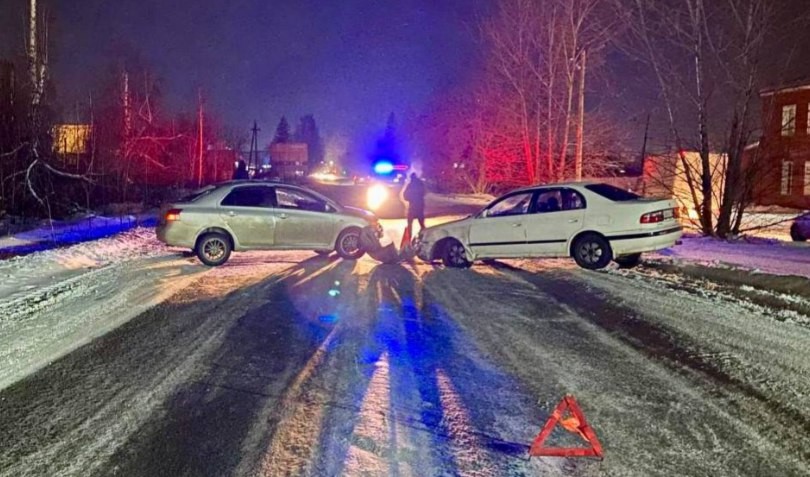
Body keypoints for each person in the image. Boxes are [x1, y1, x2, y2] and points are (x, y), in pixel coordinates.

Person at [402, 172, 426, 239]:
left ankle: (409, 237)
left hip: (413, 206)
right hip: (420, 206)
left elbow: (405, 195)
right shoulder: (420, 184)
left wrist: (410, 198)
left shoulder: (410, 185)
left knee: (410, 223)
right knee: (421, 223)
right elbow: (424, 193)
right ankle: (424, 236)